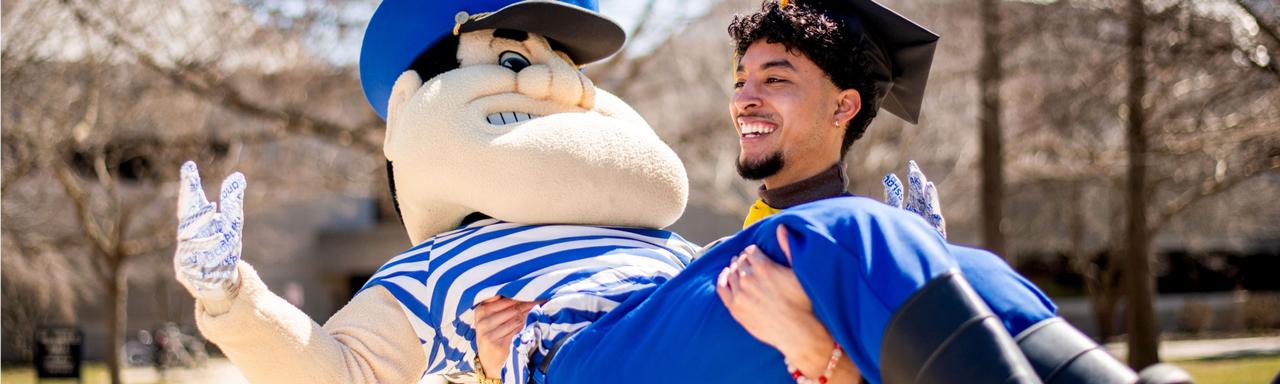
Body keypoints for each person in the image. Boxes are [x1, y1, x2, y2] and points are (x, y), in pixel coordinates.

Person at [476, 1, 1143, 383]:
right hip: (579, 360)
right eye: (741, 78)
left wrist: (823, 357)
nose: (744, 96)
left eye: (776, 79)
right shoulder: (820, 237)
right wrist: (504, 351)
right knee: (862, 236)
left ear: (842, 106)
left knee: (977, 271)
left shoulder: (830, 238)